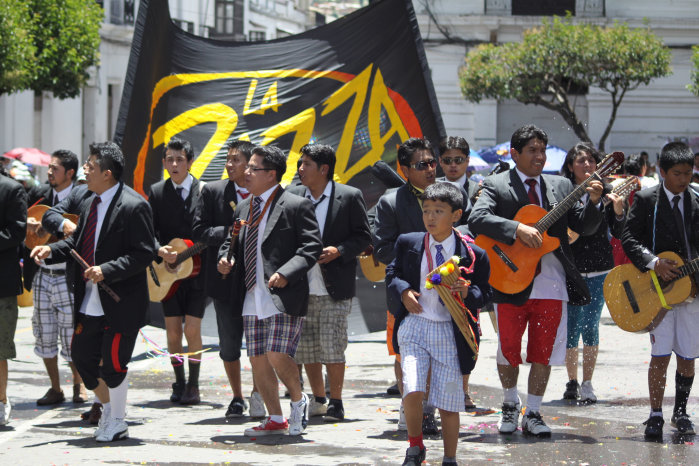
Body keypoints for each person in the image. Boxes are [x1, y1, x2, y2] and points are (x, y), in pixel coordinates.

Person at [469, 124, 603, 437]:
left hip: (552, 283)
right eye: (532, 150)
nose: (539, 156)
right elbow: (477, 218)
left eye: (542, 150)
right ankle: (509, 402)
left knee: (544, 351)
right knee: (509, 349)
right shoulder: (496, 183)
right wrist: (516, 230)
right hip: (509, 278)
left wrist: (595, 202)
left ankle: (535, 411)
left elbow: (584, 225)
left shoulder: (560, 184)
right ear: (514, 154)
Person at [31, 141, 156, 442]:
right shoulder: (88, 199)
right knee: (82, 356)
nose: (85, 170)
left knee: (113, 364)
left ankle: (117, 419)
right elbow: (76, 245)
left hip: (120, 300)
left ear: (108, 173)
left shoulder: (134, 205)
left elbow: (143, 254)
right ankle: (111, 411)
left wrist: (107, 270)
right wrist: (50, 249)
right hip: (89, 298)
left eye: (90, 165)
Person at [217, 145, 322, 436]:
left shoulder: (295, 204)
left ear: (271, 174)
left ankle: (299, 402)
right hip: (251, 293)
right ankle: (275, 418)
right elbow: (231, 243)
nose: (245, 172)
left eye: (252, 168)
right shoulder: (243, 206)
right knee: (258, 358)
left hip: (282, 293)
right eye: (246, 167)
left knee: (277, 354)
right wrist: (225, 259)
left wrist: (286, 273)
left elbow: (311, 246)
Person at [386, 182, 491, 465]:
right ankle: (414, 446)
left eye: (438, 211)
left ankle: (450, 457)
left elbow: (486, 294)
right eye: (426, 211)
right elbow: (392, 272)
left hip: (450, 329)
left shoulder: (473, 254)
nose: (430, 217)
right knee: (412, 386)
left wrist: (468, 292)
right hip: (415, 325)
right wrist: (404, 290)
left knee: (448, 400)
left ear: (456, 215)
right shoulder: (409, 242)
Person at [621, 141, 699, 439]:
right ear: (663, 171)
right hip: (655, 291)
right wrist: (654, 263)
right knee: (660, 354)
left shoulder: (696, 200)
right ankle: (655, 413)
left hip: (691, 291)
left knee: (688, 356)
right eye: (678, 173)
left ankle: (680, 411)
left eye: (689, 172)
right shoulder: (645, 199)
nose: (684, 179)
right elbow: (629, 239)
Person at [289, 143, 371, 421]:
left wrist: (339, 251)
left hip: (334, 288)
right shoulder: (292, 195)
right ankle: (319, 396)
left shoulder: (348, 196)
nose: (300, 169)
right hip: (301, 287)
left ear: (324, 169)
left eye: (306, 164)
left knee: (333, 346)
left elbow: (364, 237)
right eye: (300, 163)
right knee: (307, 348)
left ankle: (336, 401)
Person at [193, 139, 264, 418]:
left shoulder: (265, 192)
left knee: (258, 343)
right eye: (228, 159)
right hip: (224, 280)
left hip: (258, 281)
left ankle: (259, 393)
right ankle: (236, 396)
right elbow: (199, 230)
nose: (229, 165)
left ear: (250, 164)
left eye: (236, 160)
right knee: (229, 343)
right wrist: (234, 231)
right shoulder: (213, 191)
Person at [559, 142, 626, 403]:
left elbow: (620, 232)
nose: (586, 165)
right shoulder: (562, 191)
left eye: (591, 160)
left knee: (591, 327)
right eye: (580, 161)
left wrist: (619, 213)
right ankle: (572, 381)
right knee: (571, 327)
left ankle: (587, 383)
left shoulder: (609, 192)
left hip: (599, 268)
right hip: (570, 269)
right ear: (570, 166)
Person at [24, 150, 88, 407]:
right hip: (41, 273)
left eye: (55, 169)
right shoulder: (38, 195)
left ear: (70, 173)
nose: (49, 172)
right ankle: (55, 387)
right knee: (44, 332)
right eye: (49, 168)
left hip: (68, 275)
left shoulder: (81, 197)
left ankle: (79, 384)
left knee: (72, 333)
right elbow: (22, 222)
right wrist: (27, 225)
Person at [147, 137, 206, 405]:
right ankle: (179, 380)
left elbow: (211, 230)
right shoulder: (157, 192)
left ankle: (194, 384)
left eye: (179, 159)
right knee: (172, 332)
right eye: (169, 159)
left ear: (190, 162)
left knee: (192, 330)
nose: (174, 164)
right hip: (167, 273)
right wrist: (161, 252)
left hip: (197, 272)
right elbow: (149, 231)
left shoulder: (205, 191)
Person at [0, 167, 27, 425]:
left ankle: (1, 401)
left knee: (0, 349)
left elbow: (17, 232)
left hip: (2, 286)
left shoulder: (11, 188)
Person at [437, 136, 478, 202]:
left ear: (467, 160)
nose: (453, 165)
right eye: (448, 160)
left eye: (458, 160)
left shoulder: (479, 192)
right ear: (440, 161)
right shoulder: (431, 189)